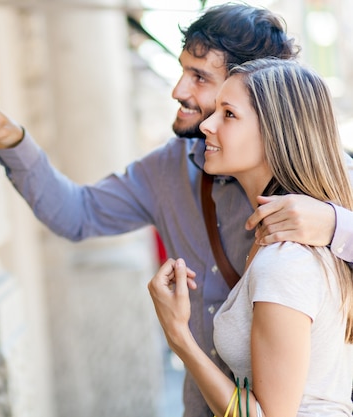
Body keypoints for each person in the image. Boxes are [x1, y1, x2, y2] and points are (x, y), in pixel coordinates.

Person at [0, 4, 353, 416]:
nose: (178, 90)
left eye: (200, 77)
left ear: (258, 92)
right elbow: (76, 214)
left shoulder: (319, 172)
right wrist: (14, 142)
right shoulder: (168, 167)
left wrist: (337, 225)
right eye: (183, 70)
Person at [148, 58, 353, 417]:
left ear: (276, 133)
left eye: (228, 114)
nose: (207, 125)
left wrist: (179, 336)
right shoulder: (275, 239)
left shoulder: (285, 259)